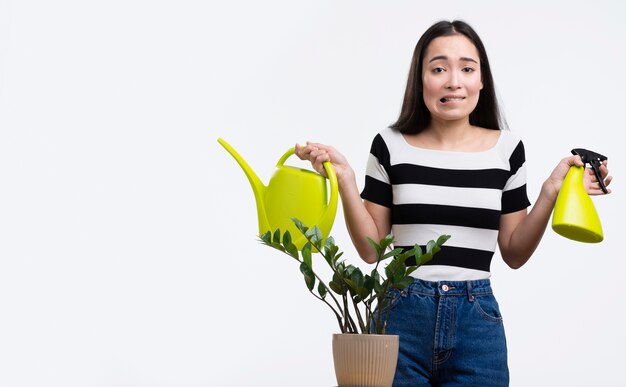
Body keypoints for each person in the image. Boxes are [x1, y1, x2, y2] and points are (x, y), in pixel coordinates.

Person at [295, 20, 612, 386]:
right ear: (420, 79)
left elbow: (513, 252)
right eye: (439, 68)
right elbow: (371, 250)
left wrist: (550, 192)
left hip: (476, 324)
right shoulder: (389, 144)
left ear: (482, 80)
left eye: (466, 68)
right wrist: (347, 181)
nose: (453, 81)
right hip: (398, 318)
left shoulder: (507, 150)